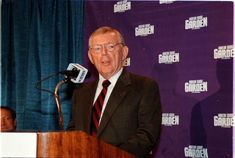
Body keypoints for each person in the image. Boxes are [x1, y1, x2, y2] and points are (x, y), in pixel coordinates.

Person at [67, 26, 162, 157]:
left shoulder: (144, 87)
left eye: (110, 47)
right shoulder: (81, 93)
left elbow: (146, 136)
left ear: (124, 52)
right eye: (97, 48)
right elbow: (73, 132)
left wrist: (106, 154)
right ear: (90, 56)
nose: (104, 53)